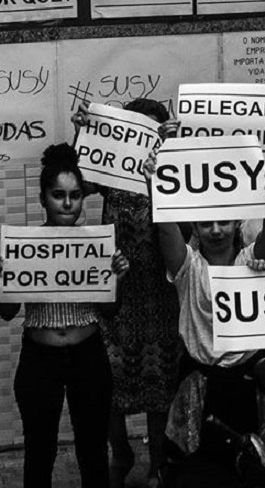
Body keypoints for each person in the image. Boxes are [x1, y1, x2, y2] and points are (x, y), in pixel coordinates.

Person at [143, 151, 265, 477]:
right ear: (195, 225)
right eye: (207, 223)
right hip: (199, 383)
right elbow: (166, 233)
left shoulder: (252, 261)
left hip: (246, 383)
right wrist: (155, 189)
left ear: (237, 221)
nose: (216, 229)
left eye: (223, 221)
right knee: (195, 472)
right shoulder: (188, 266)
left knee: (251, 470)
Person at [0, 143, 130, 488]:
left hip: (88, 355)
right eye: (59, 195)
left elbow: (110, 312)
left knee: (92, 452)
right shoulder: (24, 245)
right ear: (43, 198)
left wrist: (115, 279)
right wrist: (2, 278)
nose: (68, 203)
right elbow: (8, 313)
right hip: (39, 358)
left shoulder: (98, 245)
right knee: (39, 451)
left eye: (75, 195)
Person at [73, 98, 182, 488]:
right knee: (108, 383)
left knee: (158, 382)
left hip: (159, 296)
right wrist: (83, 132)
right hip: (115, 294)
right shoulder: (110, 174)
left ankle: (156, 463)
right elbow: (80, 182)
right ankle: (121, 452)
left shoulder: (175, 176)